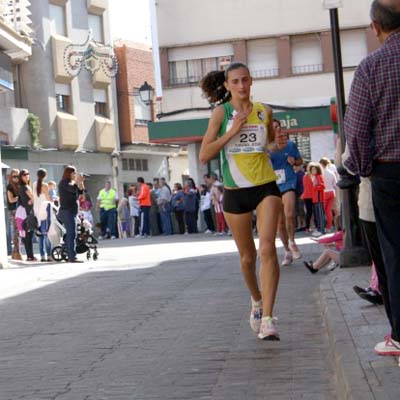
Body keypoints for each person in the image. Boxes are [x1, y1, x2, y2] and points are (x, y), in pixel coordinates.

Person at [199, 62, 282, 340]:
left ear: (252, 81)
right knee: (248, 258)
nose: (242, 86)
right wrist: (232, 131)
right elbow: (204, 154)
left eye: (245, 80)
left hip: (265, 186)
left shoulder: (265, 112)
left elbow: (268, 145)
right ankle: (256, 300)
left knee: (267, 249)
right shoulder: (221, 113)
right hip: (235, 190)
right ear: (227, 85)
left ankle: (269, 319)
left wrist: (276, 145)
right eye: (235, 81)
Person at [343, 0, 400, 356]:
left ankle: (399, 335)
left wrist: (364, 168)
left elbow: (357, 131)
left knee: (394, 253)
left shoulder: (370, 67)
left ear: (376, 28)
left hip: (390, 173)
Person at [270, 119, 303, 265]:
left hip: (288, 181)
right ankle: (287, 251)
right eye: (273, 127)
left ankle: (292, 241)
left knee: (289, 214)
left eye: (278, 127)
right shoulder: (266, 147)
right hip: (272, 185)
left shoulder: (289, 145)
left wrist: (294, 162)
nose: (276, 129)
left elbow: (300, 160)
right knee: (280, 223)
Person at [58, 165, 84, 262]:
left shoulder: (72, 183)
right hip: (66, 211)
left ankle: (70, 254)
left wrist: (81, 182)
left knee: (72, 234)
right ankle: (72, 257)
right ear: (68, 173)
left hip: (71, 212)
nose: (75, 175)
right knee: (72, 234)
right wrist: (77, 182)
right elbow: (72, 189)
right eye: (73, 173)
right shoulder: (64, 183)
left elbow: (80, 192)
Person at [33, 168, 53, 262]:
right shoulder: (45, 185)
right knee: (47, 234)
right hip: (44, 211)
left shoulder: (33, 184)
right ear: (45, 176)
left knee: (40, 234)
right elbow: (48, 198)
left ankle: (42, 256)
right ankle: (49, 255)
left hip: (36, 211)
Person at [6, 169, 22, 260]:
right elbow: (11, 199)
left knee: (19, 232)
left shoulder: (19, 185)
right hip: (13, 210)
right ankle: (16, 253)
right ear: (11, 177)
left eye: (18, 176)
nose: (16, 178)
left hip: (19, 210)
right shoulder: (10, 187)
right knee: (16, 232)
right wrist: (20, 197)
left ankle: (15, 253)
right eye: (14, 176)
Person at [319, 158, 337, 232]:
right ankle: (329, 227)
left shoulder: (320, 173)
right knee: (328, 211)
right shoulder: (331, 172)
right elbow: (335, 184)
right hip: (332, 192)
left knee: (322, 211)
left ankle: (322, 227)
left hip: (324, 192)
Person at [310, 163, 326, 237]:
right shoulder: (314, 177)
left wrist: (316, 186)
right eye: (312, 169)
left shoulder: (318, 176)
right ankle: (319, 229)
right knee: (317, 215)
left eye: (314, 169)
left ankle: (322, 230)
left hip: (319, 198)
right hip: (315, 199)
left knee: (320, 215)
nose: (312, 170)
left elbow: (322, 186)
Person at [301, 163, 316, 233]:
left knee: (309, 212)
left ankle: (307, 228)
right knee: (315, 212)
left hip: (306, 196)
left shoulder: (305, 176)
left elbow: (304, 186)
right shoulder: (313, 176)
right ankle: (315, 226)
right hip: (312, 195)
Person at [294, 164, 306, 231]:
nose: (295, 167)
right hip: (296, 193)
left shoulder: (302, 174)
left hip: (301, 193)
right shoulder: (294, 174)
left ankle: (303, 224)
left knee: (301, 209)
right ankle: (299, 225)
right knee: (297, 210)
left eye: (296, 166)